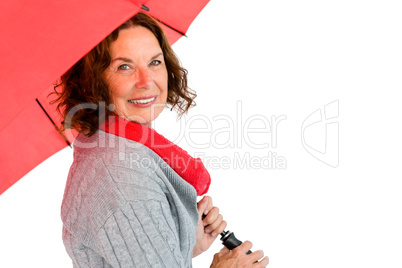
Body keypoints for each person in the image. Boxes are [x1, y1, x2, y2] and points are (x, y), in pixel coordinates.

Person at [54, 12, 269, 267]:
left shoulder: (106, 147)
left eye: (155, 63)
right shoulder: (123, 175)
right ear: (93, 81)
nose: (147, 82)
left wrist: (184, 243)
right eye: (124, 66)